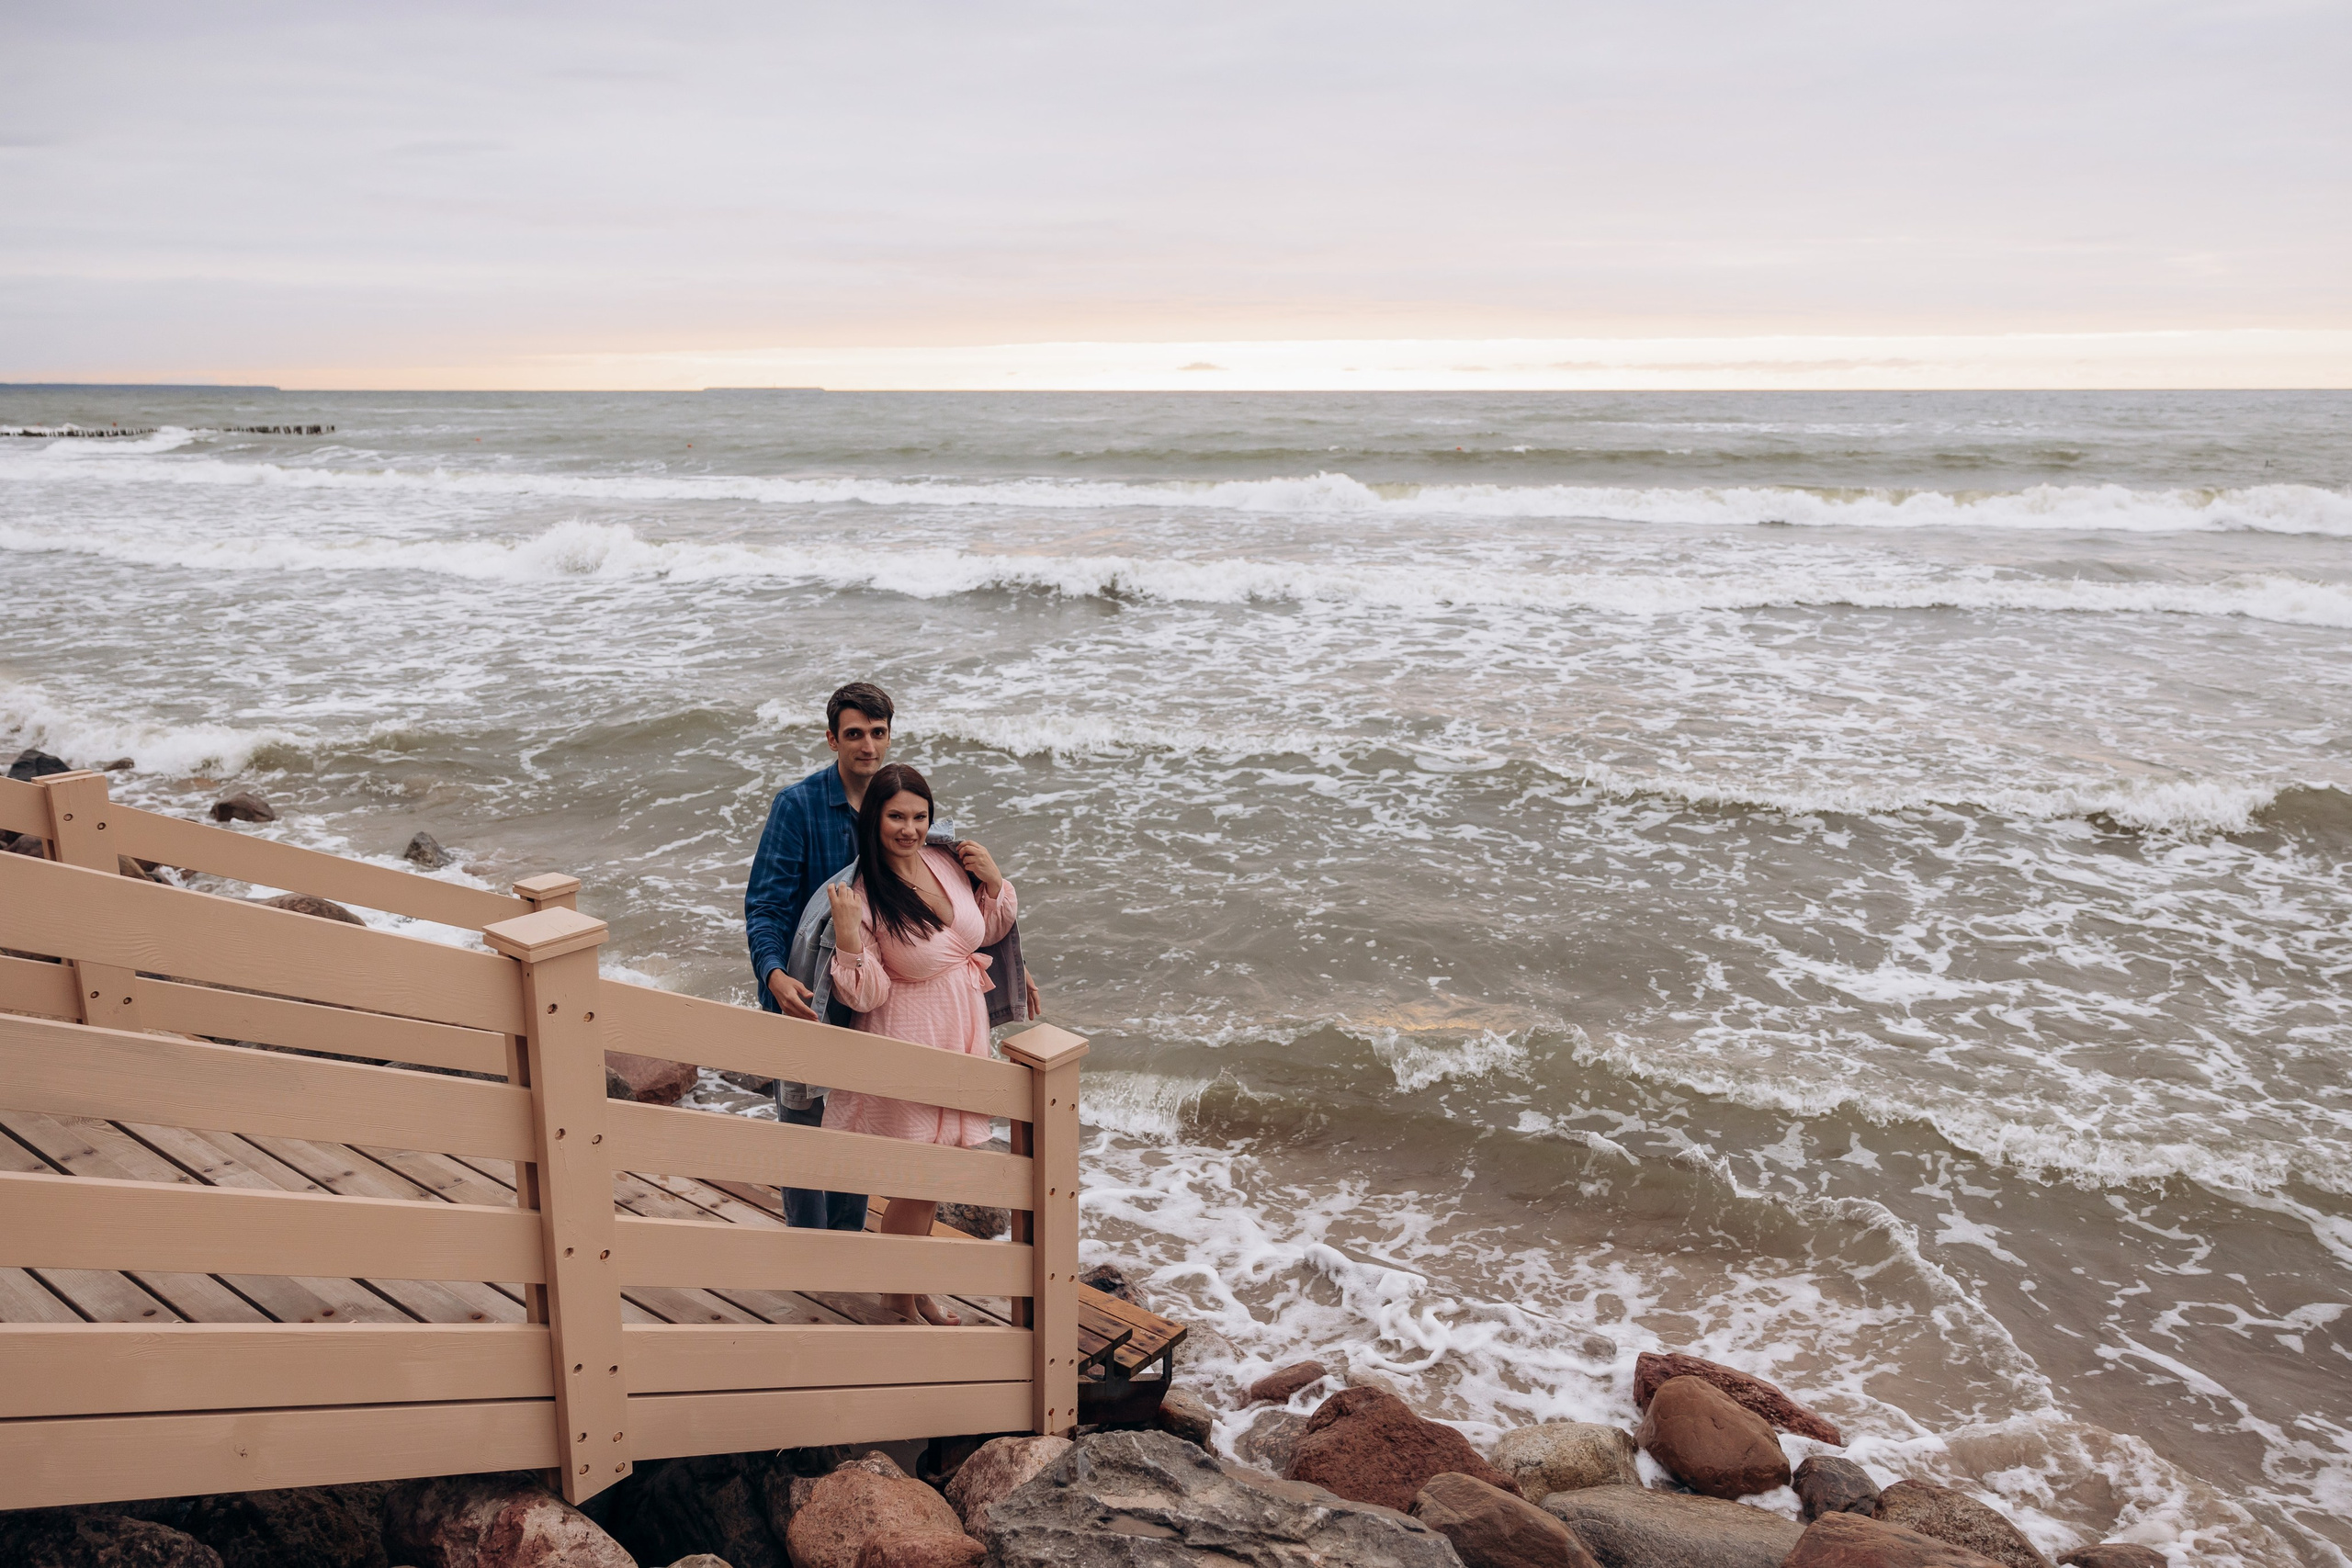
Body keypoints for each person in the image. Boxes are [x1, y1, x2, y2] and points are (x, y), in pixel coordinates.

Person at [824, 762, 1016, 1326]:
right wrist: (847, 934)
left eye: (919, 816)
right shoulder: (865, 893)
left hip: (962, 1037)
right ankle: (900, 1297)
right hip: (910, 1042)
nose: (909, 829)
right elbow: (865, 994)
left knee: (934, 1180)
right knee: (918, 1180)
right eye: (895, 817)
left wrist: (994, 881)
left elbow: (985, 932)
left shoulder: (945, 863)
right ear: (874, 820)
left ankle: (910, 1290)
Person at [744, 682, 898, 1232]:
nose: (867, 746)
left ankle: (846, 1250)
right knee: (804, 1140)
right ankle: (807, 1258)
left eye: (877, 733)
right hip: (805, 998)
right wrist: (773, 975)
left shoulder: (897, 808)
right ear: (832, 739)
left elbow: (934, 898)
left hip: (868, 1001)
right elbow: (765, 906)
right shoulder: (797, 807)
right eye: (854, 734)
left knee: (856, 1136)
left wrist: (1004, 958)